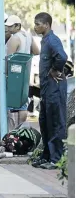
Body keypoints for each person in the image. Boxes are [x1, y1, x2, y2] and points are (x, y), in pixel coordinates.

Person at [32, 12, 67, 170]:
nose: (35, 27)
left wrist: (54, 70)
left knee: (55, 124)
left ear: (46, 24)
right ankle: (46, 155)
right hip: (46, 90)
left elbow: (62, 57)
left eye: (38, 24)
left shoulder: (52, 40)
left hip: (55, 89)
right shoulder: (44, 41)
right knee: (45, 123)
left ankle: (56, 159)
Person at [5, 15, 40, 129]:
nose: (8, 29)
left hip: (14, 73)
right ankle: (20, 129)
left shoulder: (14, 38)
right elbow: (36, 51)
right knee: (23, 102)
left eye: (11, 26)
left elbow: (9, 59)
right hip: (25, 72)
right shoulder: (29, 36)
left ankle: (11, 131)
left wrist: (5, 74)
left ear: (17, 26)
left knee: (10, 103)